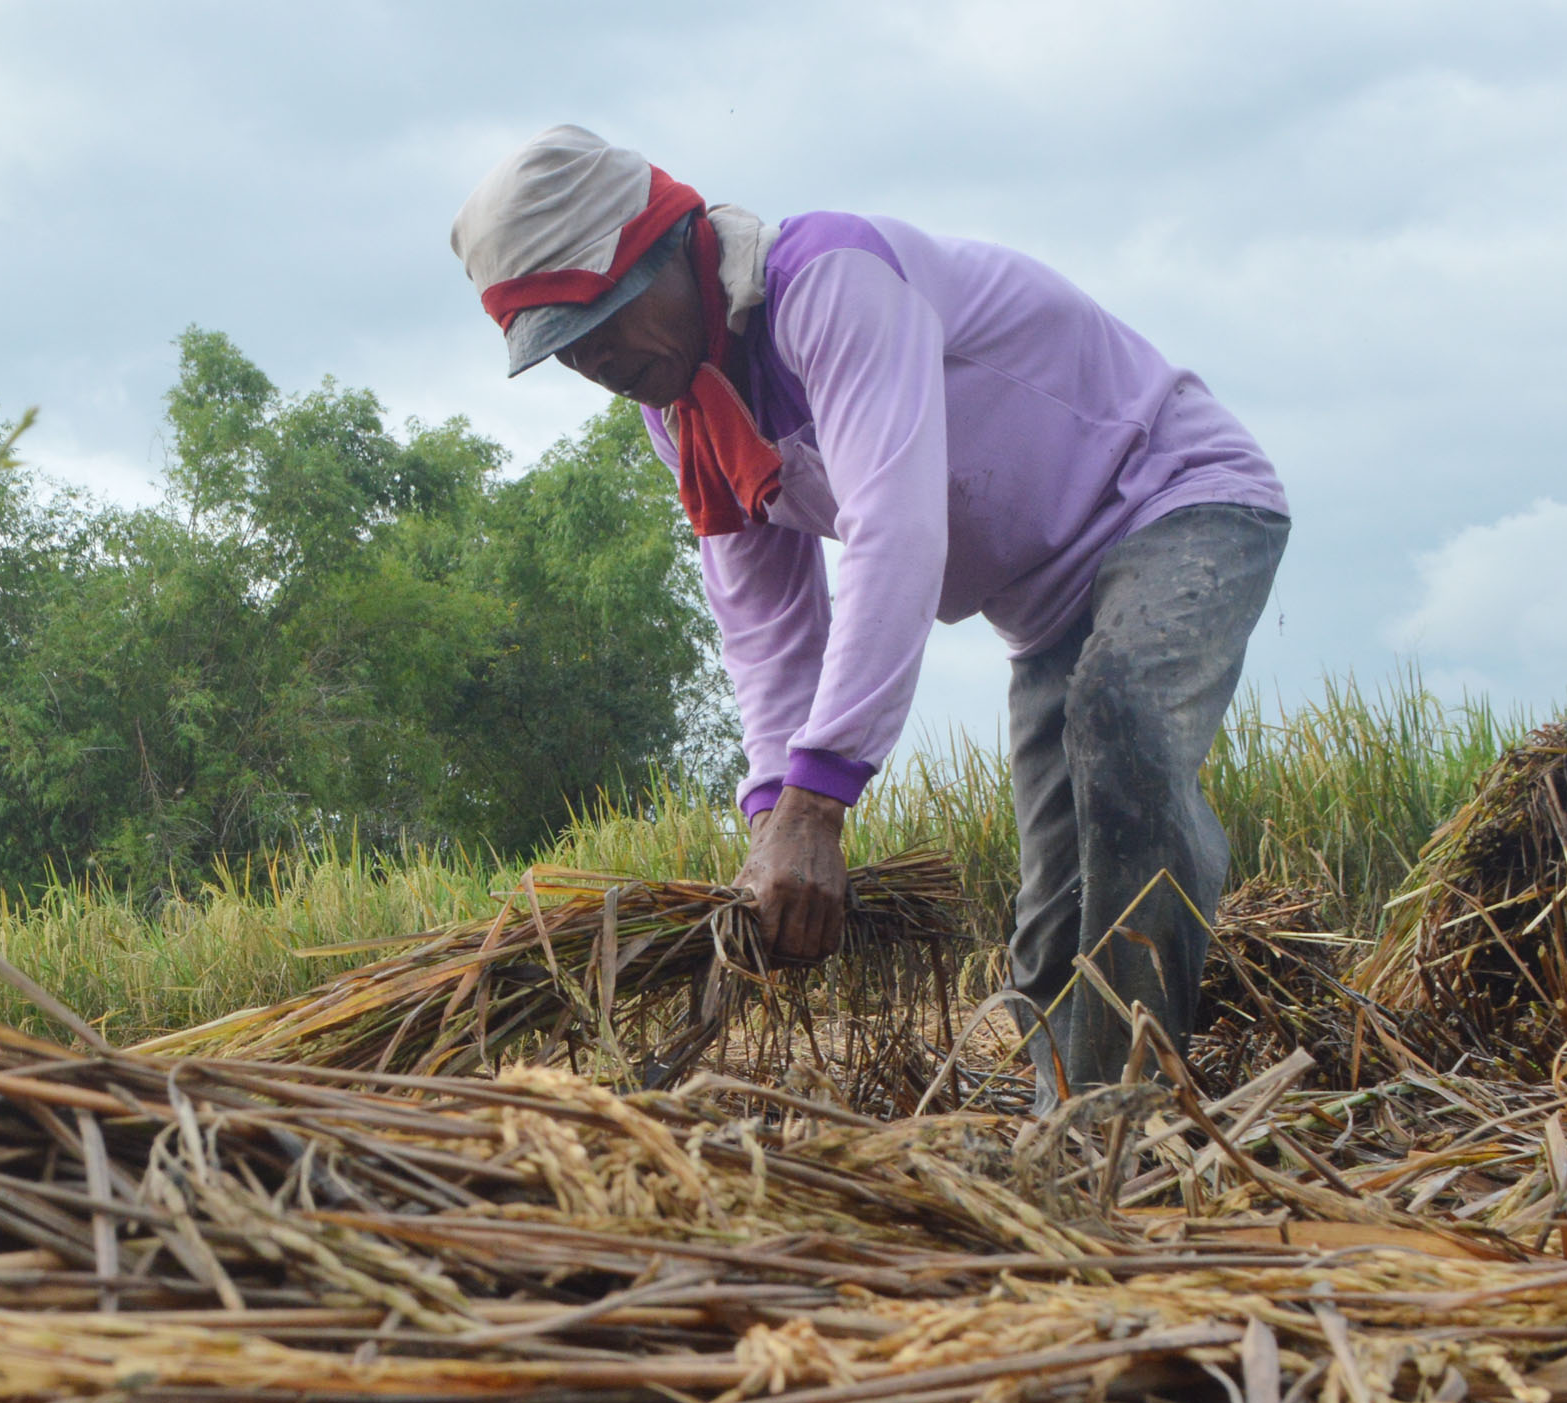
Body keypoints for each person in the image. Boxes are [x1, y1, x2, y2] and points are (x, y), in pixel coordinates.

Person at [452, 125, 1288, 1098]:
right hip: (1045, 606)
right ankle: (1067, 1115)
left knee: (1122, 727)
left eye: (597, 322)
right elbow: (765, 625)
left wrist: (819, 798)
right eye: (561, 350)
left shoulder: (829, 283)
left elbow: (896, 530)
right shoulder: (682, 405)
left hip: (1175, 499)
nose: (589, 361)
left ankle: (1125, 1110)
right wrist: (771, 806)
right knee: (1054, 897)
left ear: (668, 248)